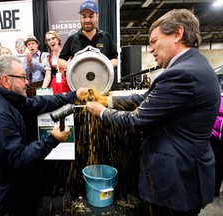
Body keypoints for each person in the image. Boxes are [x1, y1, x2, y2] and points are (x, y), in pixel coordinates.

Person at [86, 9, 221, 216]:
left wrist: (102, 112)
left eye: (154, 41)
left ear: (177, 34)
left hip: (176, 179)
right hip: (186, 171)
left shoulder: (182, 73)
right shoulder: (194, 65)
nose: (151, 49)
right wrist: (109, 100)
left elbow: (138, 119)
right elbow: (148, 99)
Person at [0, 55, 88, 215]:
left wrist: (71, 96)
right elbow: (18, 160)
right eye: (22, 77)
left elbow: (37, 103)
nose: (27, 82)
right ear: (5, 80)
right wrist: (52, 139)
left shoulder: (5, 99)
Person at [58, 0, 118, 69]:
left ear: (97, 17)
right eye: (84, 17)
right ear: (80, 18)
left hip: (102, 79)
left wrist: (104, 65)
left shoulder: (106, 37)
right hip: (78, 79)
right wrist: (74, 65)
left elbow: (116, 59)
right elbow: (60, 60)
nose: (87, 20)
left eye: (91, 16)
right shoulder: (72, 39)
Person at [210, 91, 223, 198]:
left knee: (220, 167)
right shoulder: (218, 99)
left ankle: (215, 190)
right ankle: (209, 189)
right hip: (213, 139)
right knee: (211, 165)